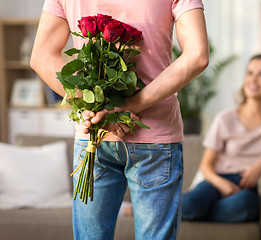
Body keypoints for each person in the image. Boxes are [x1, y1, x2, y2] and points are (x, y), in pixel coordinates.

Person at [30, 0, 209, 239]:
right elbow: (197, 55)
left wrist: (95, 107)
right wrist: (128, 106)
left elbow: (41, 57)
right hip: (155, 137)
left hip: (93, 135)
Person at [181, 54, 261, 223]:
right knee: (191, 203)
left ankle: (190, 214)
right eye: (249, 73)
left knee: (244, 205)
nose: (253, 79)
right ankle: (166, 210)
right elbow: (206, 166)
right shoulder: (225, 118)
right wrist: (222, 184)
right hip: (218, 180)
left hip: (248, 188)